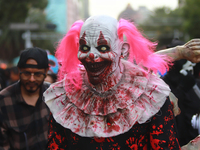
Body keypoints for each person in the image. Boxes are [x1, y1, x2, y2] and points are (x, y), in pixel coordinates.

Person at [44, 15, 200, 149]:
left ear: (123, 50)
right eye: (85, 47)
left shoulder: (151, 97)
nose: (91, 55)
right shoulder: (65, 97)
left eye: (103, 47)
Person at [0, 47, 50, 150]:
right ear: (19, 70)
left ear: (46, 71)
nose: (32, 79)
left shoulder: (53, 95)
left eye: (38, 74)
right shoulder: (4, 101)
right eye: (26, 73)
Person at [161, 38, 200, 146]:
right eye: (184, 58)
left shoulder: (195, 84)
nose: (190, 63)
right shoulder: (161, 86)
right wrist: (181, 90)